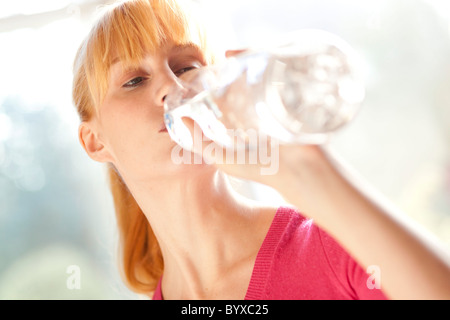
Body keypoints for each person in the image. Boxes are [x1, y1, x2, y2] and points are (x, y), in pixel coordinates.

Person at [72, 0, 450, 300]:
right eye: (135, 80)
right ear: (95, 141)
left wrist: (304, 168)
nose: (170, 88)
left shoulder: (333, 248)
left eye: (186, 66)